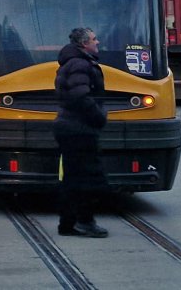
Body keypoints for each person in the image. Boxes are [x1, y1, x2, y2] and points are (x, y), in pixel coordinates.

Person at [54, 27, 109, 238]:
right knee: (86, 177)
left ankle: (68, 223)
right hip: (78, 128)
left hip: (69, 126)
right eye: (95, 39)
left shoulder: (72, 61)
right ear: (84, 43)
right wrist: (98, 117)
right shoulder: (80, 63)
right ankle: (84, 222)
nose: (98, 42)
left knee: (73, 177)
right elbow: (80, 96)